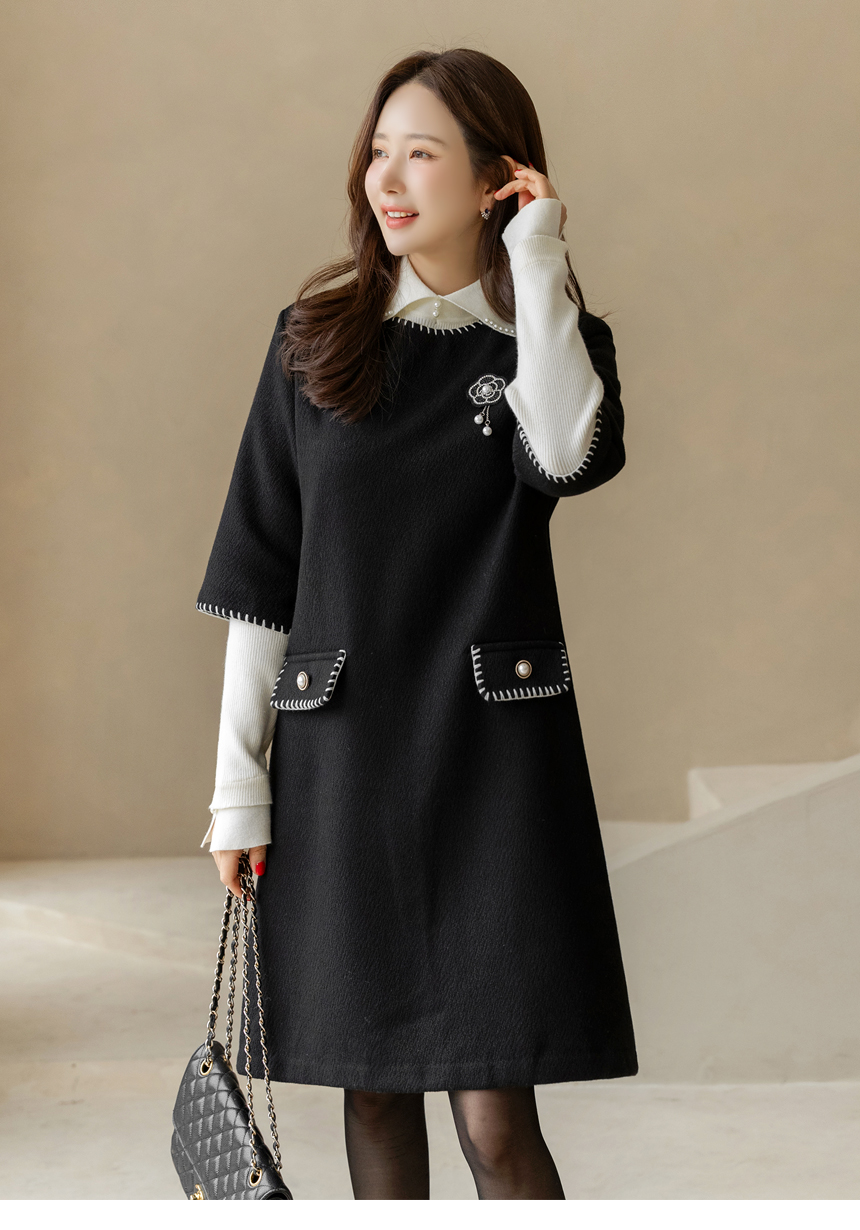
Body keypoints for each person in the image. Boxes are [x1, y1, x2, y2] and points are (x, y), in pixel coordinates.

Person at [195, 47, 638, 1200]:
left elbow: (563, 456)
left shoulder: (550, 347)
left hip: (493, 763)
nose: (385, 180)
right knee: (374, 1092)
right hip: (341, 759)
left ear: (495, 178)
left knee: (495, 1117)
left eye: (421, 154)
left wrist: (535, 256)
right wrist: (239, 789)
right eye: (377, 152)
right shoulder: (312, 340)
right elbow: (260, 575)